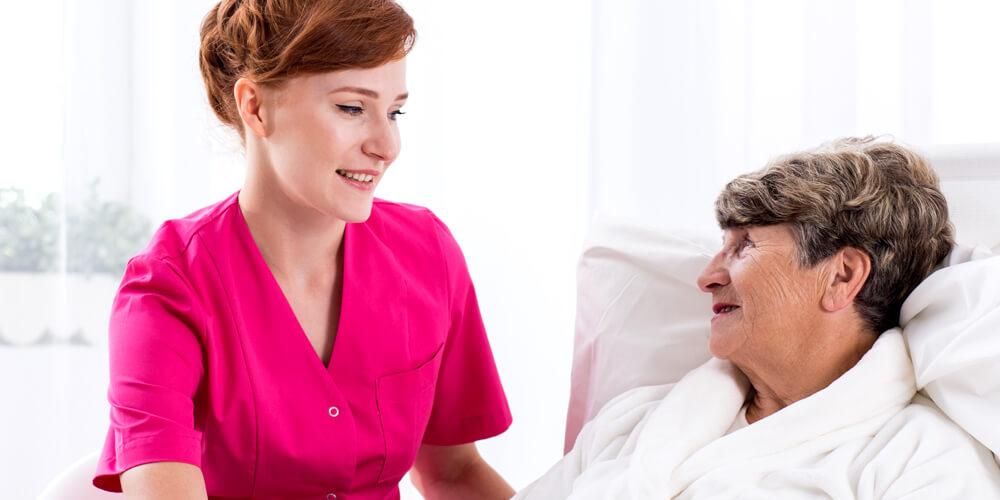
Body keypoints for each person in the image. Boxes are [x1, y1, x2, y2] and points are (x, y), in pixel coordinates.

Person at [92, 1, 515, 498]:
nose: (387, 144)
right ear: (255, 107)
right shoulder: (167, 289)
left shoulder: (428, 254)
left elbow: (453, 473)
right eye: (352, 108)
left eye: (394, 111)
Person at [514, 137, 1000, 499]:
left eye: (743, 245)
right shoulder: (634, 422)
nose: (706, 276)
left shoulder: (922, 460)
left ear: (841, 276)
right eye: (720, 246)